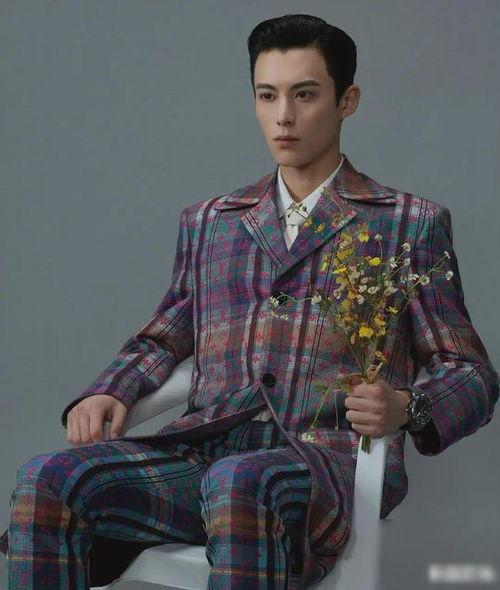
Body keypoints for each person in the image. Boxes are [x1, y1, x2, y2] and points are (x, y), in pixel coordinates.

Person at [1, 13, 498, 590]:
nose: (283, 116)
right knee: (46, 479)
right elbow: (165, 334)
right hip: (204, 455)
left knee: (240, 483)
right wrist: (110, 389)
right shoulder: (212, 222)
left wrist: (410, 407)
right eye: (267, 95)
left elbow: (471, 373)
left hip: (324, 464)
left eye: (304, 94)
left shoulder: (408, 223)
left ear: (347, 101)